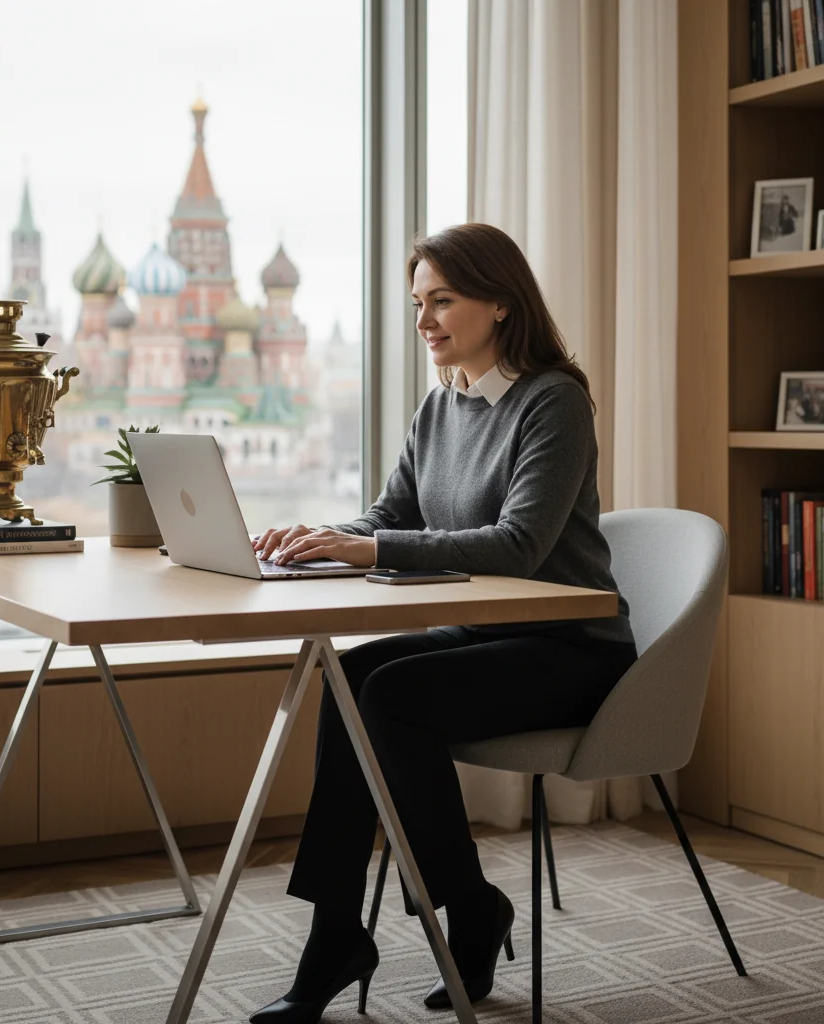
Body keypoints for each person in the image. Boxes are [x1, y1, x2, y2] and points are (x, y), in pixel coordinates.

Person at [248, 223, 638, 1022]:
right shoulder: (440, 405)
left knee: (391, 698)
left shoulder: (554, 401)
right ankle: (338, 932)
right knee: (353, 675)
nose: (425, 320)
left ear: (500, 304)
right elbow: (389, 516)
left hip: (572, 650)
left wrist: (370, 548)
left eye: (443, 301)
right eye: (419, 302)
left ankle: (463, 906)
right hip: (485, 639)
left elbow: (521, 545)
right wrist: (315, 540)